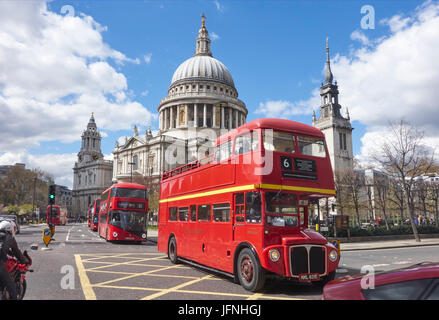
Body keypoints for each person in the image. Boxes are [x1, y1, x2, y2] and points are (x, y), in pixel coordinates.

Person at [0, 220, 30, 300]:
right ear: (10, 229)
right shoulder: (9, 237)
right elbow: (17, 253)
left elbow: (5, 250)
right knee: (12, 288)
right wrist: (25, 261)